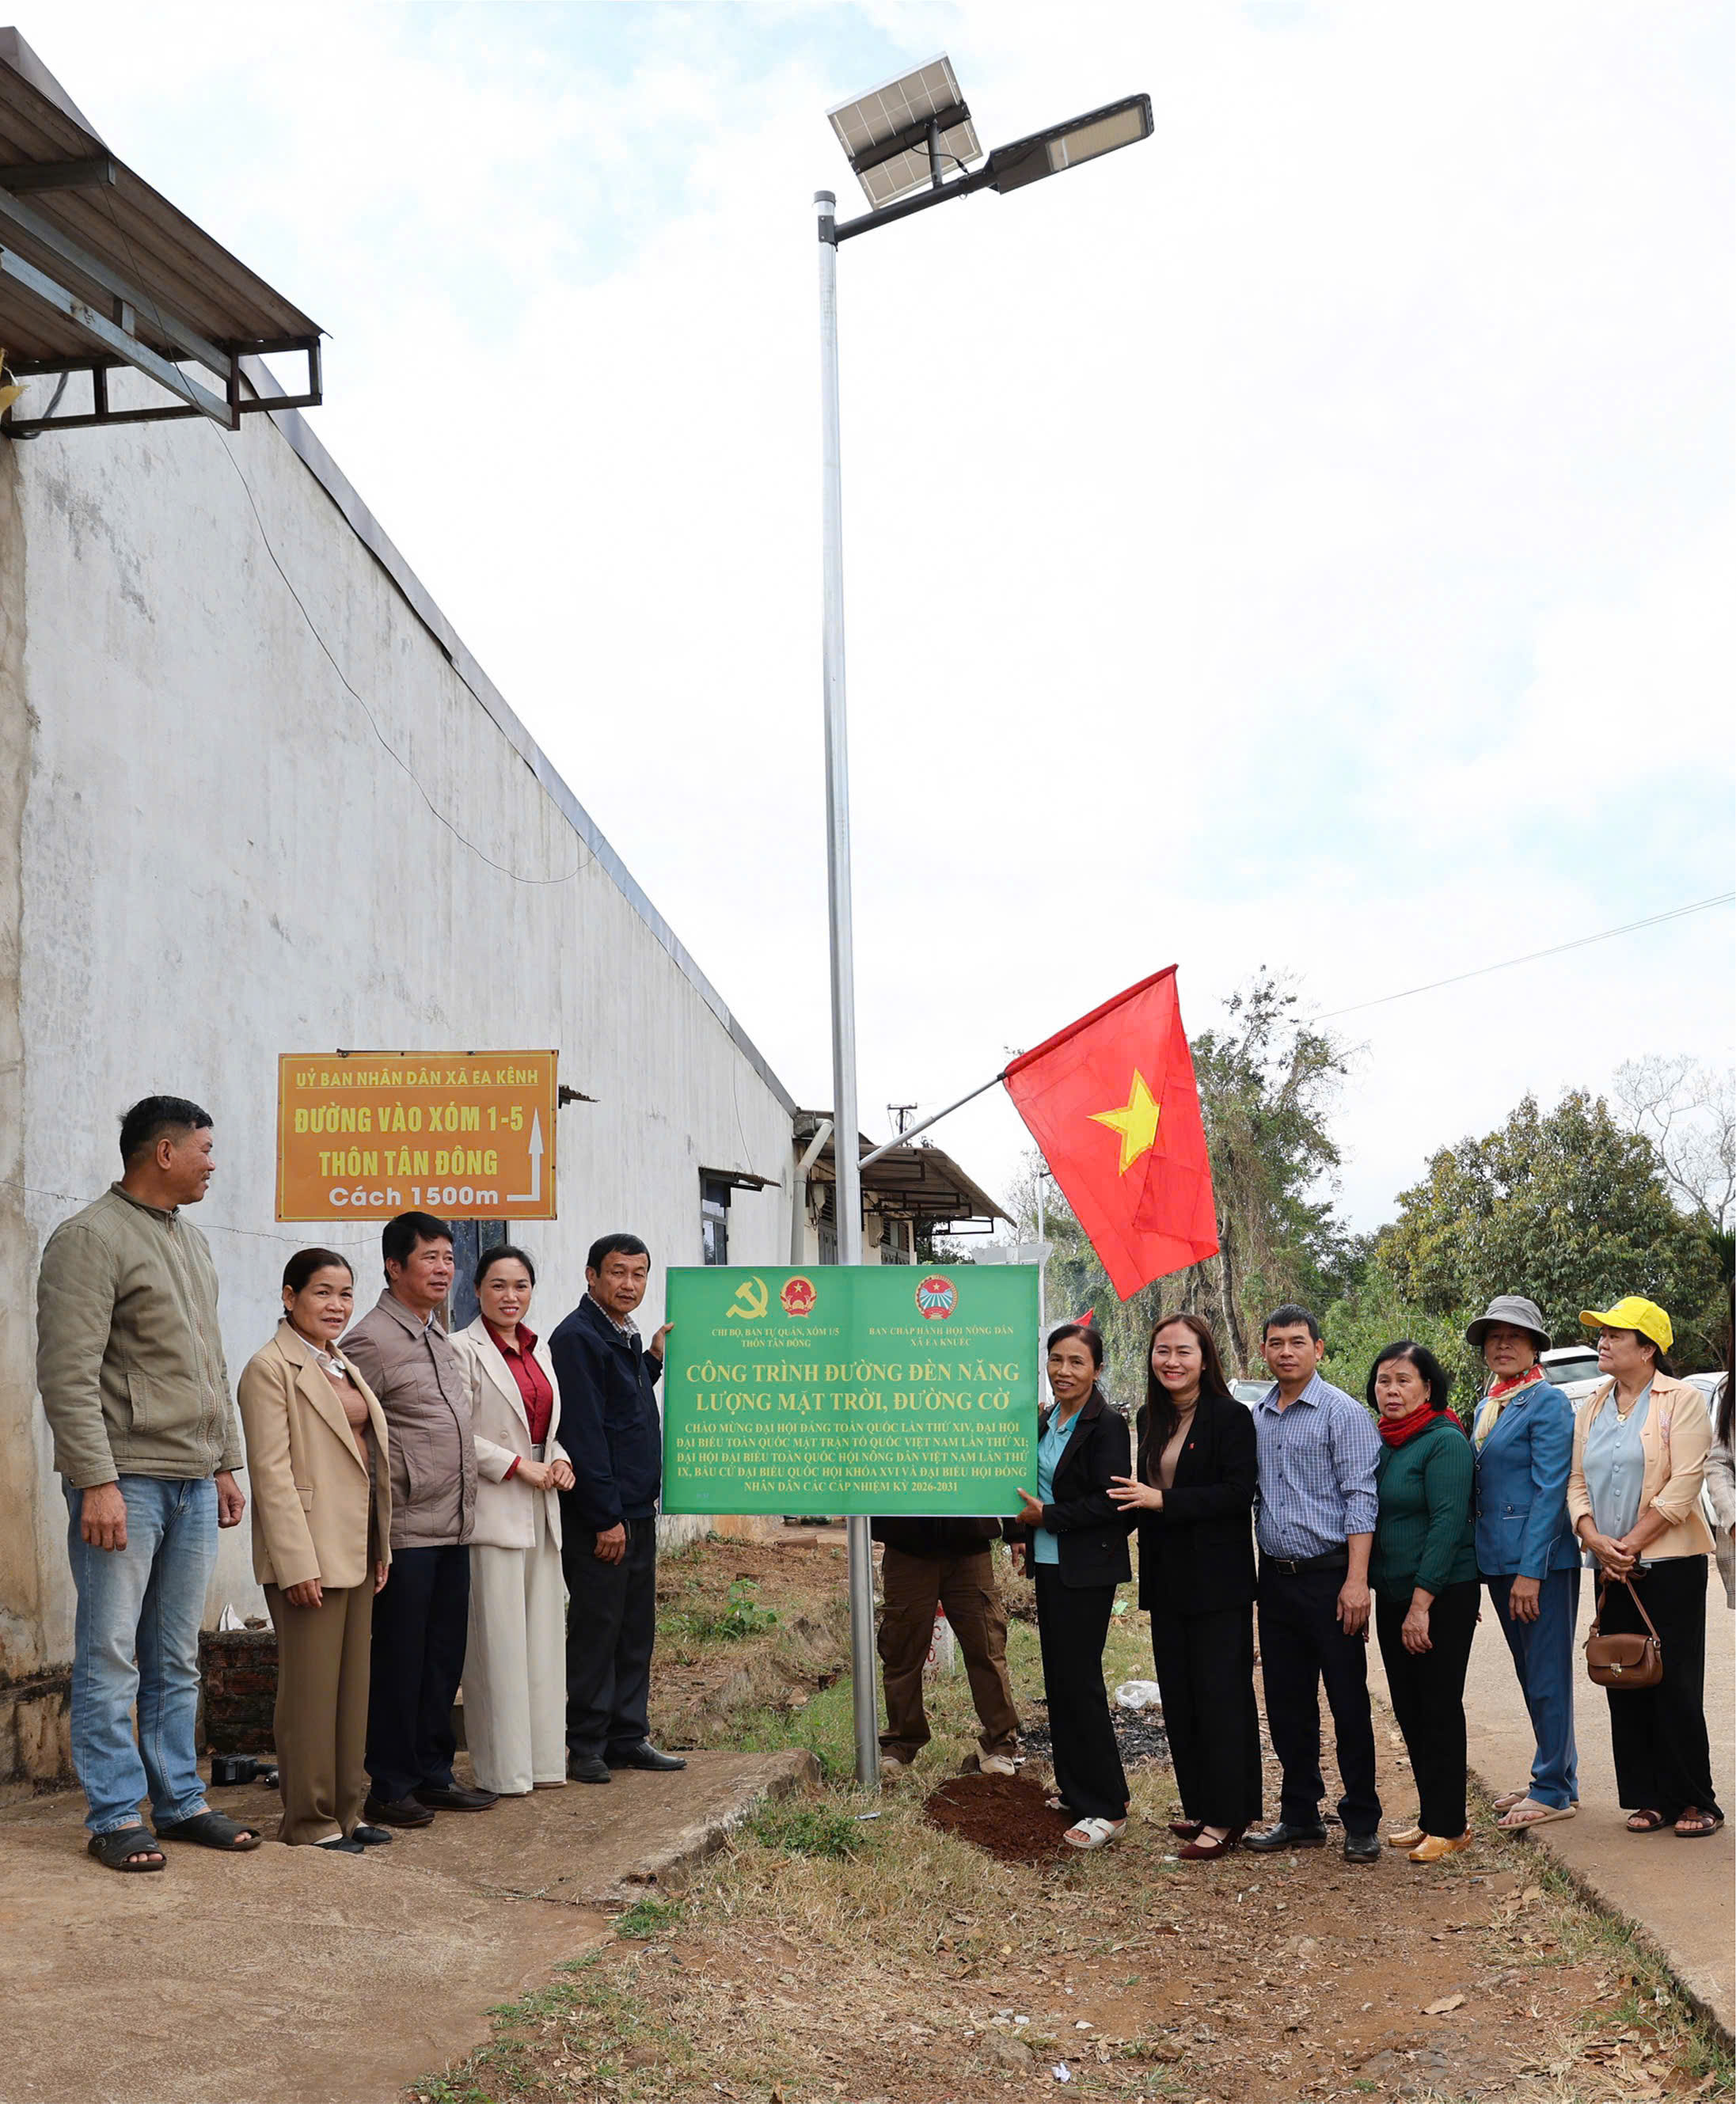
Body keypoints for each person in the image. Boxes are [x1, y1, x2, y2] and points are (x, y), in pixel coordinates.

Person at [36, 1096, 257, 1872]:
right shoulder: (89, 1239)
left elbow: (211, 1366)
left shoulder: (190, 1242)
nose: (212, 1163)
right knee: (110, 1655)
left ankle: (179, 1801)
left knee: (175, 1655)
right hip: (125, 1480)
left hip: (194, 1482)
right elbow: (66, 1375)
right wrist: (94, 1480)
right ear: (163, 1153)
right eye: (204, 1148)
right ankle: (112, 1815)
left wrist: (226, 1464)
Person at [237, 1249, 392, 1851]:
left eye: (346, 1294)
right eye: (323, 1293)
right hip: (309, 1554)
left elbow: (370, 1463)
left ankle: (349, 1810)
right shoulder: (268, 1368)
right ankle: (309, 1820)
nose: (337, 1305)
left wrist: (380, 1545)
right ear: (289, 1296)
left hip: (354, 1547)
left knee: (352, 1690)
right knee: (309, 1692)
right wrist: (296, 1564)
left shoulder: (340, 1363)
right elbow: (272, 1476)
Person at [342, 1211, 494, 1827]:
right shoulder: (370, 1340)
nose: (442, 1268)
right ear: (394, 1265)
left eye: (448, 1258)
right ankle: (389, 1782)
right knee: (400, 1663)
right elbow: (349, 1433)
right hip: (404, 1530)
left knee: (440, 1660)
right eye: (428, 1257)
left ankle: (433, 1773)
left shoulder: (436, 1333)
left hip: (454, 1525)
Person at [1568, 1298, 1723, 1839]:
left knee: (1673, 1682)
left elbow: (1684, 1483)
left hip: (1666, 1564)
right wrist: (1592, 1538)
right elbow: (1576, 1484)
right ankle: (1647, 1797)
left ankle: (1693, 1799)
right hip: (1607, 1564)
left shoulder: (1679, 1400)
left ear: (1648, 1347)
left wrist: (1629, 1545)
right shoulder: (1591, 1403)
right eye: (1601, 1334)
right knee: (1623, 1676)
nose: (1602, 1342)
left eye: (1615, 1334)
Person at [1108, 1312, 1261, 1859]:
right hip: (1167, 1580)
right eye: (1162, 1351)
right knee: (1181, 1698)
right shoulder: (1152, 1417)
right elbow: (1133, 1499)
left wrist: (1163, 1501)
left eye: (1183, 1352)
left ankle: (1227, 1818)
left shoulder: (1231, 1417)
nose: (1171, 1361)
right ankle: (1201, 1805)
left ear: (1204, 1359)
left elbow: (1236, 1493)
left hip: (1218, 1583)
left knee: (1221, 1698)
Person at [1242, 1303, 1385, 1863]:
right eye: (1275, 1343)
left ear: (1318, 1349)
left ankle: (1361, 1819)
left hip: (1331, 1578)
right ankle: (1299, 1816)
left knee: (1347, 1703)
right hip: (1275, 1581)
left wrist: (1356, 1582)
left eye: (1297, 1342)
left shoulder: (1342, 1413)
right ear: (1263, 1351)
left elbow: (1361, 1499)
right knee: (1285, 1703)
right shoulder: (1255, 1416)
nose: (1285, 1352)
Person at [552, 1233, 685, 1783]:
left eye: (638, 1274)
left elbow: (622, 1406)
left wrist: (652, 1360)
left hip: (636, 1508)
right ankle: (586, 1744)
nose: (628, 1284)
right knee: (596, 1627)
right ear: (591, 1276)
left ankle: (629, 1736)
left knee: (634, 1627)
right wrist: (605, 1516)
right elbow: (584, 1434)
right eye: (616, 1273)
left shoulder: (622, 1335)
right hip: (602, 1515)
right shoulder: (577, 1337)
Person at [450, 1244, 574, 1796]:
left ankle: (545, 1762)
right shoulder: (461, 1350)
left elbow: (544, 1427)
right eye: (498, 1285)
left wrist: (561, 1459)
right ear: (476, 1291)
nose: (510, 1296)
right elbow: (456, 1434)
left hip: (541, 1511)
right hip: (494, 1510)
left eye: (520, 1285)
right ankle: (503, 1771)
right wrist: (517, 1466)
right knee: (497, 1648)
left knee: (543, 1645)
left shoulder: (538, 1350)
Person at [1009, 1323, 1131, 1852]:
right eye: (1056, 1360)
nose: (1063, 1371)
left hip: (1087, 1569)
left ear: (1096, 1369)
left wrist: (1049, 1517)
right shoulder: (1045, 1420)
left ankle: (1108, 1807)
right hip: (1050, 1565)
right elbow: (1029, 1487)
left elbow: (1113, 1505)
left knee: (1080, 1683)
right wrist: (1022, 1532)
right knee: (1059, 1681)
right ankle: (1075, 1789)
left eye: (1076, 1362)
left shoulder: (1106, 1425)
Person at [1466, 1294, 1581, 1832]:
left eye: (1514, 1335)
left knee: (1546, 1674)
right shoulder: (1488, 1403)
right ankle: (1553, 1775)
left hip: (1537, 1565)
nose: (1502, 1344)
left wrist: (1531, 1570)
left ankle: (1552, 1787)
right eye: (1493, 1336)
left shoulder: (1547, 1403)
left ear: (1535, 1345)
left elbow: (1550, 1490)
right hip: (1496, 1560)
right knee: (1529, 1671)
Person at [1367, 1341, 1479, 1863]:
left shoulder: (1444, 1442)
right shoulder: (1388, 1441)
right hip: (1394, 1594)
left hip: (1437, 1595)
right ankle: (1430, 1817)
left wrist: (1420, 1605)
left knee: (1436, 1705)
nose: (1390, 1391)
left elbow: (1446, 1526)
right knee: (1410, 1709)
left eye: (1402, 1381)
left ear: (1427, 1388)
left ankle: (1451, 1824)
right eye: (1383, 1381)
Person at [870, 1514, 1020, 1782]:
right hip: (906, 1543)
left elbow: (1002, 1473)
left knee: (986, 1646)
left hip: (969, 1544)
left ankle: (999, 1744)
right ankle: (900, 1743)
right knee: (902, 1651)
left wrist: (1016, 1530)